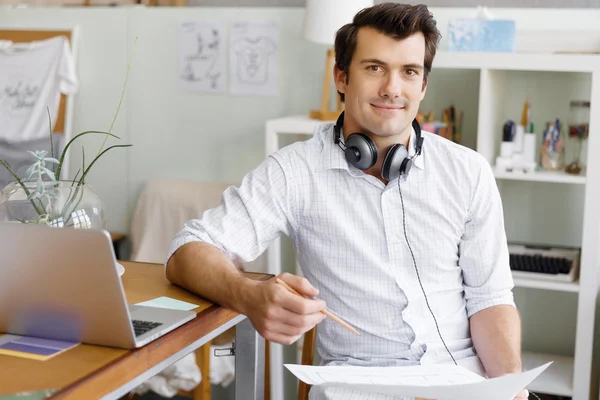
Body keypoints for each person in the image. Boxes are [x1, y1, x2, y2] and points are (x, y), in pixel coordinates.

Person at [165, 3, 528, 399]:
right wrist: (248, 295)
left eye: (409, 72)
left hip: (461, 381)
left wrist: (509, 387)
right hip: (358, 386)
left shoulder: (468, 171)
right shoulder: (295, 171)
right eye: (374, 68)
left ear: (423, 86)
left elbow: (489, 299)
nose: (393, 88)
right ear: (341, 77)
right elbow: (187, 251)